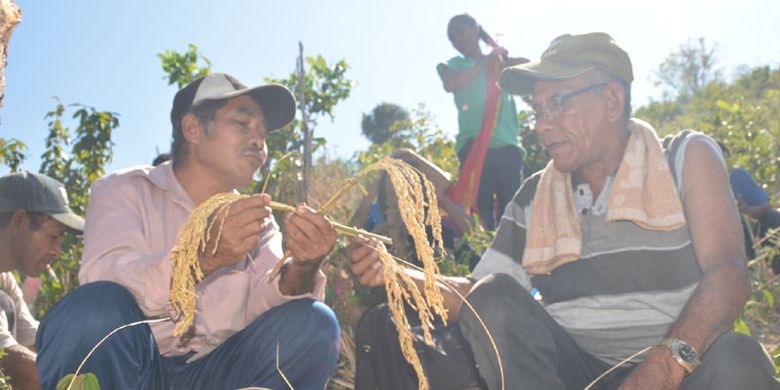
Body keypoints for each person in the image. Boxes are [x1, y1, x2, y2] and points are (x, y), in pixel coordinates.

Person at [350, 33, 780, 389]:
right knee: (494, 297)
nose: (540, 123)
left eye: (559, 103)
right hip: (576, 373)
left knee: (739, 359)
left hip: (684, 366)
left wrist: (662, 368)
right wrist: (394, 270)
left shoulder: (685, 159)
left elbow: (728, 273)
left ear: (612, 100)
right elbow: (477, 298)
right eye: (538, 109)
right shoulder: (534, 196)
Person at [36, 73, 340, 389]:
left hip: (218, 373)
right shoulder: (125, 190)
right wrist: (197, 260)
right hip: (137, 366)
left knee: (314, 323)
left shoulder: (258, 220)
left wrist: (303, 267)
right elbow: (107, 280)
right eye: (242, 123)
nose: (258, 141)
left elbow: (271, 303)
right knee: (91, 312)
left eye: (263, 133)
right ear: (192, 128)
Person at [438, 13, 529, 229]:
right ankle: (484, 259)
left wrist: (503, 59)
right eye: (452, 38)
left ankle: (513, 258)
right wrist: (487, 61)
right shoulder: (453, 64)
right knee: (481, 216)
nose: (457, 40)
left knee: (513, 214)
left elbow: (529, 68)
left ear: (476, 30)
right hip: (473, 148)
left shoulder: (500, 65)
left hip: (508, 147)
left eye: (460, 32)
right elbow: (451, 83)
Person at [0, 172, 84, 390]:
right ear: (20, 220)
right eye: (53, 236)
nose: (57, 251)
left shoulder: (4, 280)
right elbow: (9, 359)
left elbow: (36, 342)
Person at [718, 141, 780, 273]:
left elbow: (764, 206)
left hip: (749, 235)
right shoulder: (699, 187)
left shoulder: (737, 176)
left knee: (774, 218)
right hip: (722, 242)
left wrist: (746, 209)